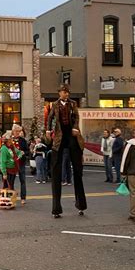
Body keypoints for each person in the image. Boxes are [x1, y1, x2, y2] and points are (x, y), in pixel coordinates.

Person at [46, 84, 86, 218]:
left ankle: (81, 204)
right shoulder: (54, 105)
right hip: (59, 137)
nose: (66, 94)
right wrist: (47, 130)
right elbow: (50, 118)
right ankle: (56, 208)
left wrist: (75, 128)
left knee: (78, 171)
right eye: (64, 92)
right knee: (56, 170)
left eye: (68, 92)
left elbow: (76, 117)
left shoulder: (73, 104)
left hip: (71, 136)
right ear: (59, 93)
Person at [12, 124, 28, 205]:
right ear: (13, 131)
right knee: (11, 181)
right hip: (12, 163)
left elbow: (27, 151)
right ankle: (12, 197)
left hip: (21, 162)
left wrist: (23, 152)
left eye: (19, 131)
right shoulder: (9, 140)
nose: (18, 133)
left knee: (23, 180)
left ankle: (23, 198)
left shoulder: (23, 140)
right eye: (16, 131)